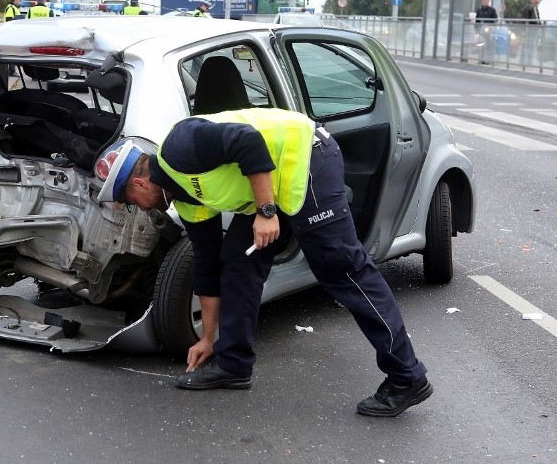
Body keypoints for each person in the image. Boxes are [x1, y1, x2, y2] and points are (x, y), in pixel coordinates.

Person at [97, 108, 432, 417]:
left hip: (306, 158)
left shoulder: (180, 146)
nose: (138, 209)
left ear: (139, 183)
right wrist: (208, 338)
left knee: (341, 267)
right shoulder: (185, 201)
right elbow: (207, 268)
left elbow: (248, 141)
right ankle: (232, 362)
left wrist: (266, 212)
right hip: (268, 189)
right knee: (235, 264)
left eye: (130, 201)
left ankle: (406, 376)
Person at [520, 0, 542, 65]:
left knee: (524, 45)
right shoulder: (533, 7)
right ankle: (529, 62)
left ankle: (521, 61)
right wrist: (541, 26)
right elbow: (536, 19)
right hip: (532, 29)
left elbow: (522, 18)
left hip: (525, 29)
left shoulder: (526, 6)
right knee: (531, 45)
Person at [474, 0, 498, 64]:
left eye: (487, 1)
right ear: (482, 2)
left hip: (489, 31)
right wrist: (476, 29)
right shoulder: (479, 10)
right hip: (481, 31)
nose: (486, 2)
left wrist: (491, 26)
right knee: (481, 45)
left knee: (488, 45)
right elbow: (477, 21)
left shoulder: (492, 10)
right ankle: (481, 59)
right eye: (484, 1)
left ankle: (488, 60)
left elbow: (495, 20)